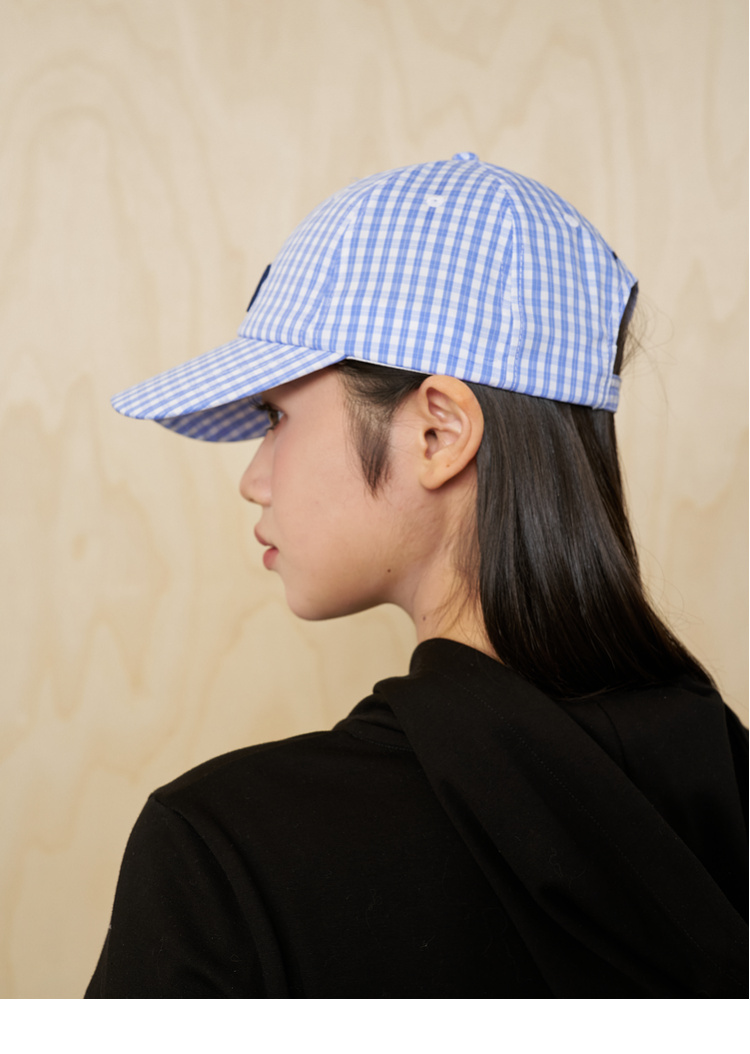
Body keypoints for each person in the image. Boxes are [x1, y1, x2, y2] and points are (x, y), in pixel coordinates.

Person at [85, 153, 748, 998]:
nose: (254, 478)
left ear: (439, 432)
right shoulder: (728, 781)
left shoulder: (226, 854)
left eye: (278, 416)